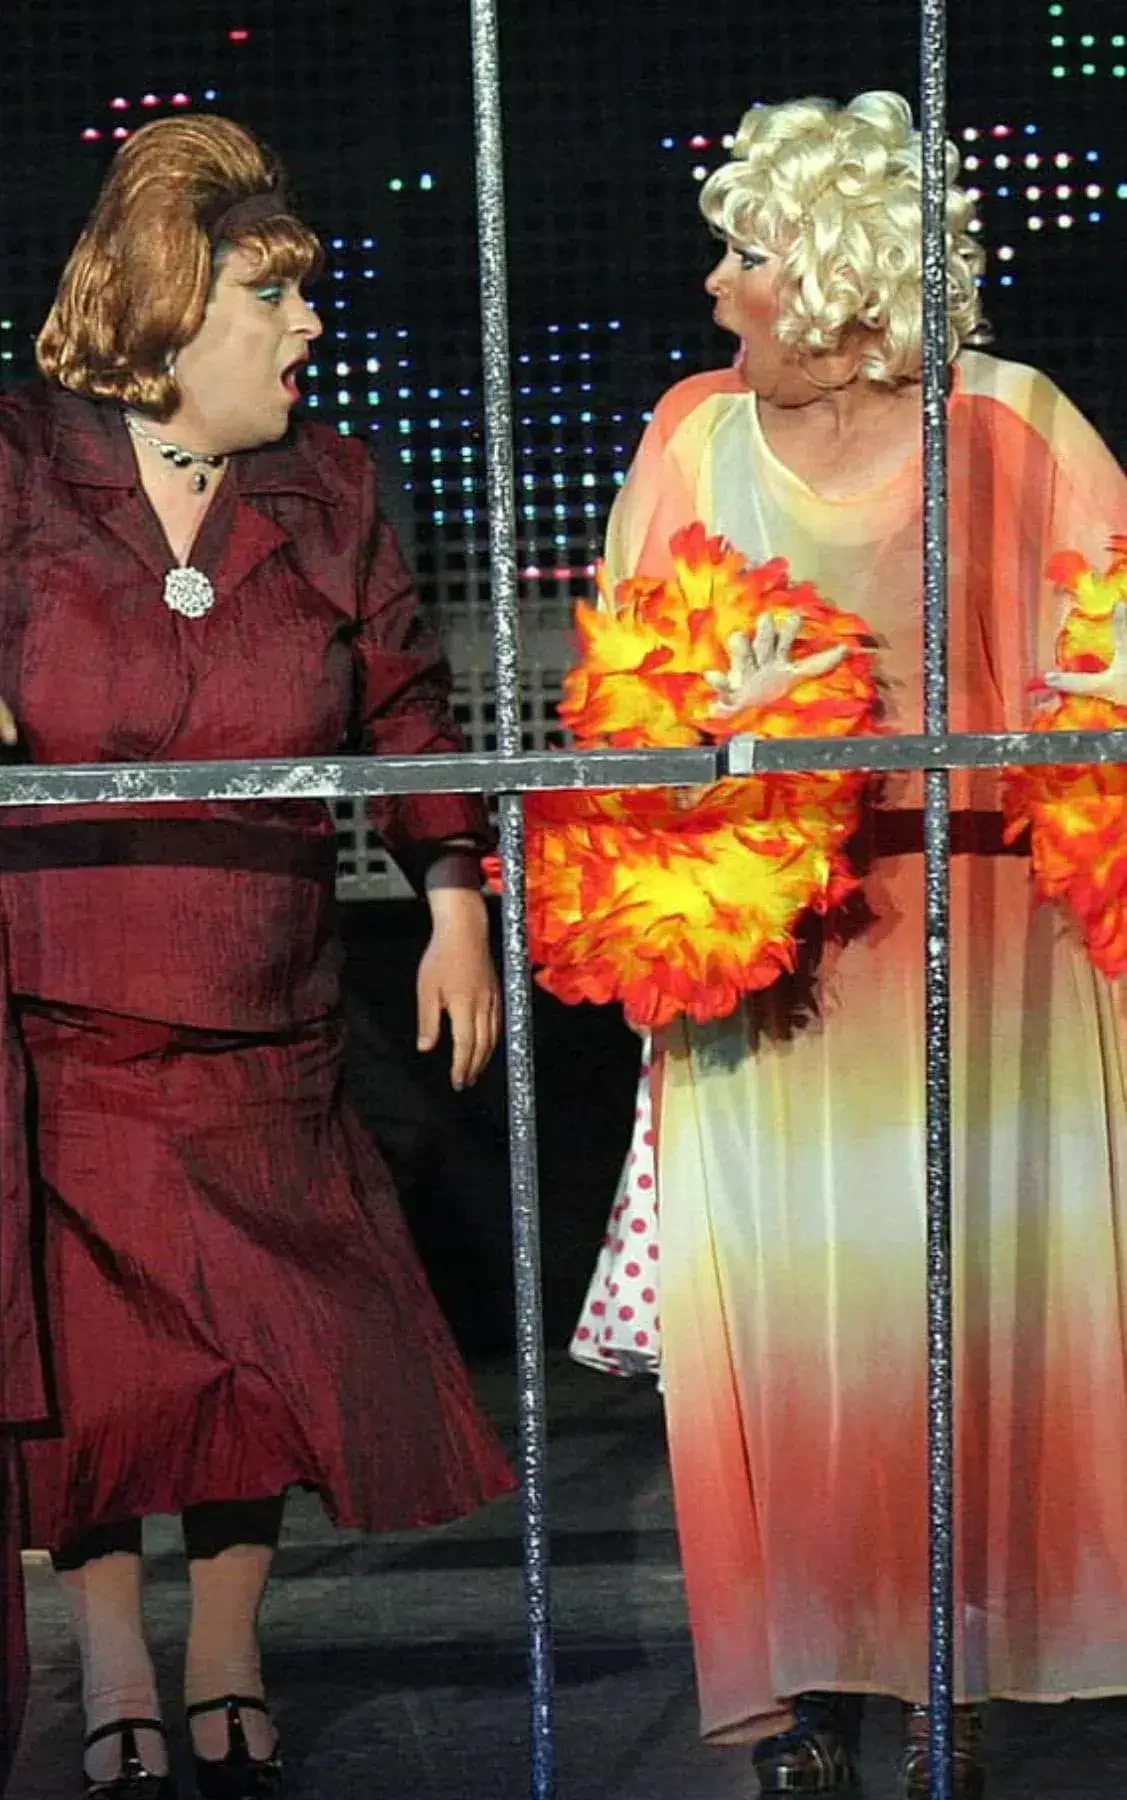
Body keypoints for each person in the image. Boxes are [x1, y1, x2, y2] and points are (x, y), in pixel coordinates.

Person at [569, 90, 1127, 1797]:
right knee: (785, 1330)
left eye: (749, 253)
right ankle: (800, 1682)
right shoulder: (690, 438)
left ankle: (956, 1673)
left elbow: (1109, 653)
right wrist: (705, 734)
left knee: (967, 1315)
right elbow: (615, 713)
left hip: (993, 976)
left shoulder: (1010, 424)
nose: (715, 286)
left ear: (840, 282)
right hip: (771, 985)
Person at [0, 113, 514, 1799]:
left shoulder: (331, 489)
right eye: (270, 298)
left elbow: (408, 709)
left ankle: (226, 1648)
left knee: (257, 1357)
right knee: (103, 1376)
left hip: (264, 1002)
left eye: (305, 295)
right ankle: (112, 1659)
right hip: (67, 1011)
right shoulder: (20, 468)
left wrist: (454, 903)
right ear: (168, 311)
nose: (309, 325)